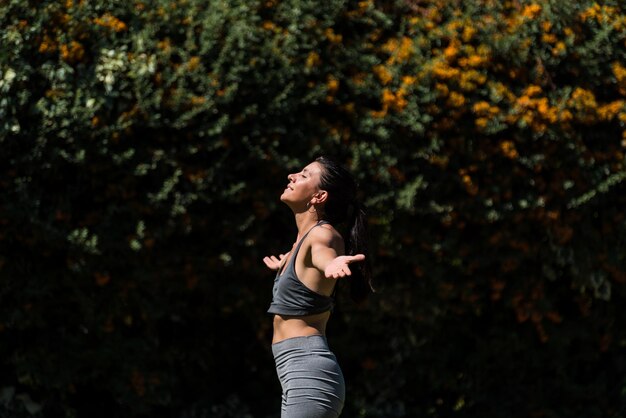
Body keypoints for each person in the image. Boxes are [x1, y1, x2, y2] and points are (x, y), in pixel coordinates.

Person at [263, 156, 373, 418]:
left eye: (303, 175)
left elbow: (324, 254)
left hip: (308, 373)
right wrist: (285, 267)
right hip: (296, 372)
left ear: (319, 196)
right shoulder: (299, 243)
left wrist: (331, 264)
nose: (291, 176)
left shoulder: (323, 235)